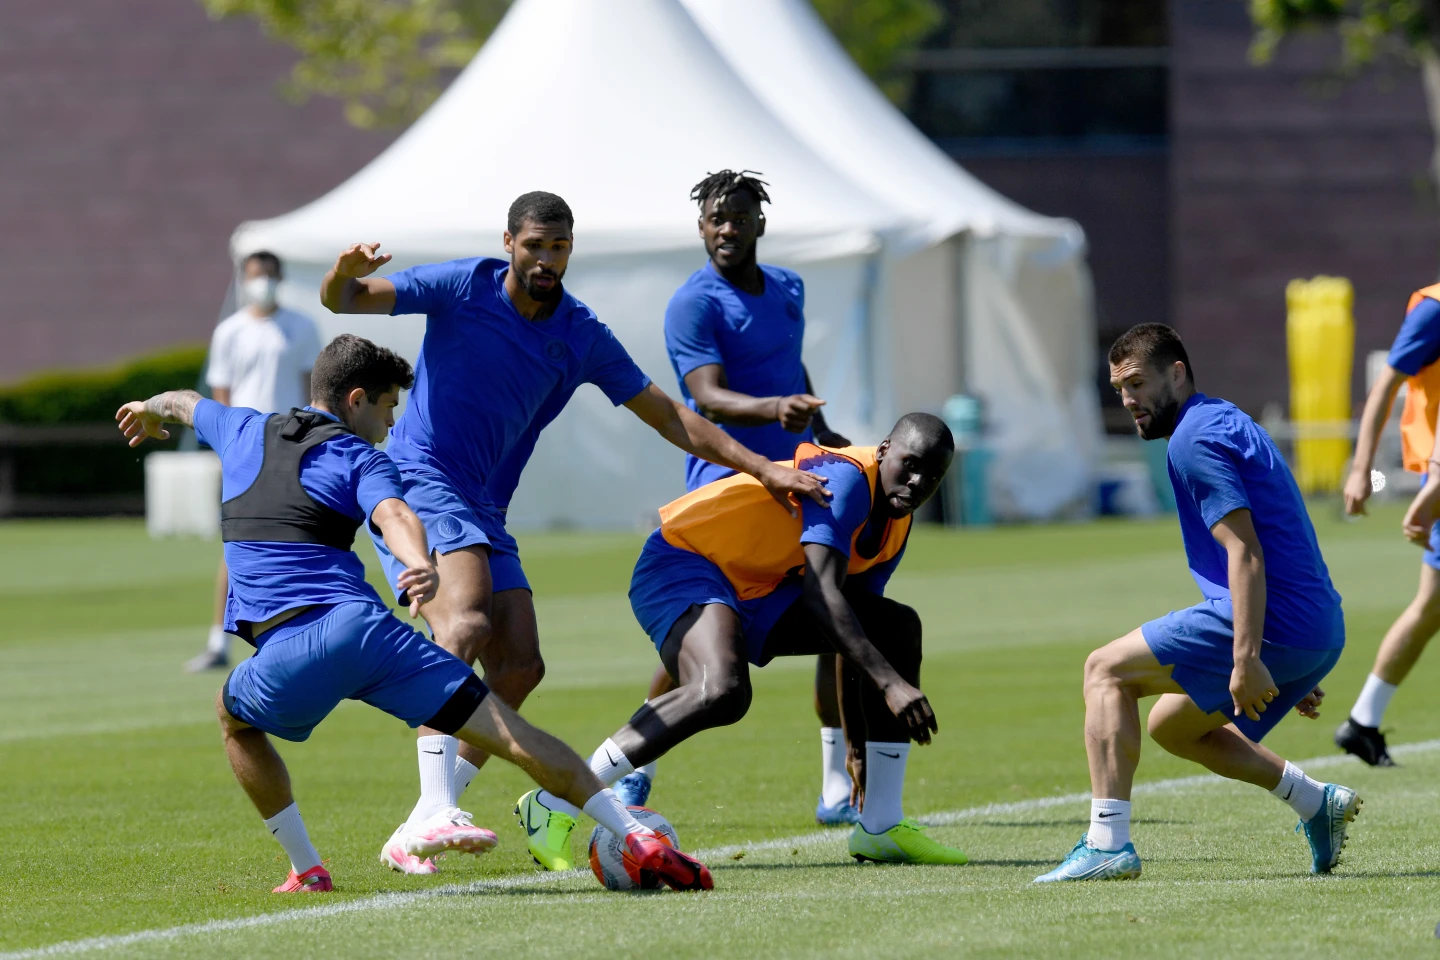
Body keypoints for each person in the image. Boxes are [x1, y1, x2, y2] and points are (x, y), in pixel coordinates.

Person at [319, 191, 830, 875]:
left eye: (559, 247)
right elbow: (346, 299)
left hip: (484, 506)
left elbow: (670, 416)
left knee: (520, 665)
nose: (547, 259)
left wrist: (764, 468)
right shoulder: (460, 286)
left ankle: (420, 819)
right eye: (535, 245)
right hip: (421, 481)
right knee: (465, 623)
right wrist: (340, 273)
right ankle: (436, 804)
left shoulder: (579, 332)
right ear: (509, 242)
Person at [114, 334, 712, 894]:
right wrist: (416, 559)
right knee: (515, 735)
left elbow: (185, 402)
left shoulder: (241, 426)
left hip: (295, 644)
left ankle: (308, 869)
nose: (392, 422)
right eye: (388, 407)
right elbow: (396, 514)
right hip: (370, 632)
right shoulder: (362, 460)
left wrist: (147, 408)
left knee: (233, 720)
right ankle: (636, 837)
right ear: (356, 400)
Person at [516, 414, 971, 869]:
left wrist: (856, 746)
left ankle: (881, 826)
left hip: (759, 587)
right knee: (722, 691)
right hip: (685, 561)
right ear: (886, 448)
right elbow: (821, 596)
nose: (916, 482)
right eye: (909, 464)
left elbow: (851, 628)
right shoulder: (849, 479)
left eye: (932, 476)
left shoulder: (896, 520)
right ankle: (556, 799)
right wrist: (892, 686)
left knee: (897, 626)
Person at [1035, 323, 1358, 883]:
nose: (1129, 400)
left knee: (1104, 671)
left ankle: (1107, 843)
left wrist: (1249, 656)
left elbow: (1247, 554)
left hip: (1279, 621)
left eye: (1137, 383)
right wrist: (1288, 659)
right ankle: (1315, 803)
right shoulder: (1225, 417)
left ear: (1176, 373)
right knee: (1173, 727)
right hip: (1315, 625)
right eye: (1119, 390)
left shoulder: (1192, 440)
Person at [614, 170, 857, 824]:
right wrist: (776, 408)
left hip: (801, 480)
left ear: (759, 224)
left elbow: (789, 364)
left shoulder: (787, 288)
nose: (726, 229)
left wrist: (821, 430)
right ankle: (637, 766)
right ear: (701, 227)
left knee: (840, 605)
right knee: (702, 635)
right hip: (728, 490)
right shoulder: (693, 303)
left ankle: (836, 783)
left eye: (738, 217)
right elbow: (708, 395)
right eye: (715, 218)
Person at [187, 251, 323, 673]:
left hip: (290, 446)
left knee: (300, 540)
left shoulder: (302, 326)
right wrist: (226, 449)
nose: (261, 282)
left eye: (268, 275)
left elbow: (309, 390)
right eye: (254, 275)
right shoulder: (230, 331)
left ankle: (300, 635)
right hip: (244, 449)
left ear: (280, 278)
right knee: (236, 545)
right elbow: (221, 397)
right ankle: (219, 641)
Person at [1335, 283, 1440, 766]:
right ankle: (1362, 720)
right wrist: (1361, 468)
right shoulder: (1434, 310)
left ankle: (1362, 721)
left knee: (1430, 607)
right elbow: (1387, 385)